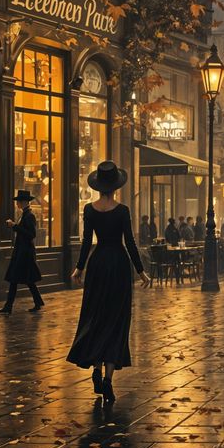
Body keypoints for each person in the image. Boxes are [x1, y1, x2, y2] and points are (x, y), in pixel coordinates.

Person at [67, 161, 150, 404]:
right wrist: (141, 271)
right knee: (117, 320)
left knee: (96, 316)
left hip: (98, 264)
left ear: (98, 186)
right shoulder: (122, 210)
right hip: (119, 265)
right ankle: (108, 379)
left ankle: (96, 367)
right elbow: (130, 242)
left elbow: (86, 242)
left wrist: (79, 267)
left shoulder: (89, 210)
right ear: (115, 187)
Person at [0, 190, 43, 313]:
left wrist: (14, 226)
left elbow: (31, 234)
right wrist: (15, 226)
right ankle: (36, 302)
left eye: (18, 201)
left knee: (17, 279)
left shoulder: (29, 215)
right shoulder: (25, 214)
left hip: (25, 253)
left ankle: (9, 306)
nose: (17, 203)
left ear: (23, 202)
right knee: (26, 279)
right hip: (22, 251)